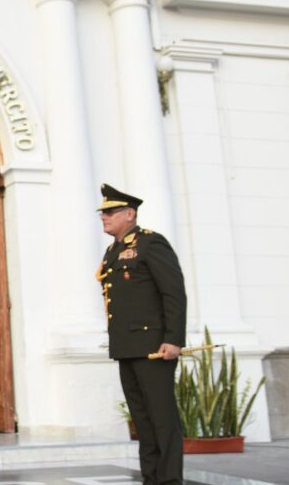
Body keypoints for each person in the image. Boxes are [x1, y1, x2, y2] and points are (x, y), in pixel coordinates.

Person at [97, 183, 187, 485]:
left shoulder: (151, 243)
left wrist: (174, 338)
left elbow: (173, 292)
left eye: (110, 212)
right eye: (103, 213)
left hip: (154, 346)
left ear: (130, 214)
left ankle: (170, 480)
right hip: (126, 347)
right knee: (143, 422)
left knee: (163, 420)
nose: (103, 217)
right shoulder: (113, 252)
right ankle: (152, 479)